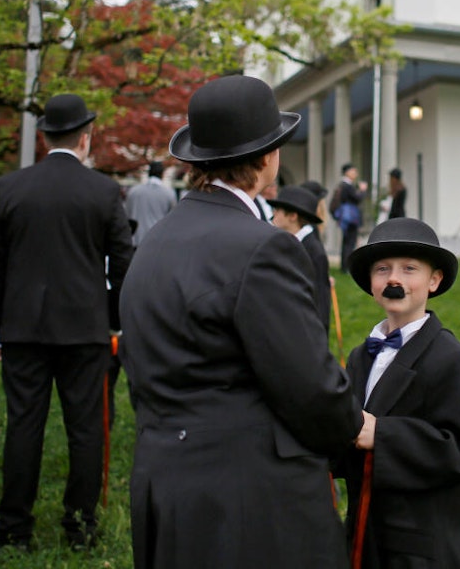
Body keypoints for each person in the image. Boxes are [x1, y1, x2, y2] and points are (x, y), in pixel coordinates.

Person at [119, 75, 365, 569]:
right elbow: (309, 386)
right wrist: (354, 426)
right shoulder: (263, 247)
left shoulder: (154, 242)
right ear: (269, 155)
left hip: (164, 477)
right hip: (247, 497)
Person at [0, 94, 134, 554]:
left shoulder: (11, 187)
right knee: (86, 428)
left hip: (23, 326)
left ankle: (13, 529)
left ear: (44, 138)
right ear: (85, 138)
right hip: (86, 329)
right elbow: (122, 260)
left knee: (23, 425)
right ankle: (81, 526)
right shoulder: (103, 191)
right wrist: (114, 321)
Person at [340, 217, 460, 568]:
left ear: (434, 280)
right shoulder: (360, 357)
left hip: (419, 544)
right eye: (383, 269)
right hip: (365, 533)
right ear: (371, 282)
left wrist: (383, 435)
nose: (394, 279)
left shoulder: (453, 360)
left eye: (409, 269)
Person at [271, 184, 332, 335]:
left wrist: (317, 338)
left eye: (278, 210)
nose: (274, 214)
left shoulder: (313, 252)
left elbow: (320, 301)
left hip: (302, 330)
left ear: (293, 216)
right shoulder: (285, 242)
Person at [124, 160, 176, 247]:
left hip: (136, 240)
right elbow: (171, 220)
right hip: (156, 241)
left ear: (149, 173)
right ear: (162, 174)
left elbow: (127, 215)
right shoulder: (169, 193)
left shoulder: (133, 191)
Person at [333, 163, 367, 271]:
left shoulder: (342, 185)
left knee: (346, 241)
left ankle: (344, 265)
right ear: (347, 172)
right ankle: (346, 266)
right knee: (350, 242)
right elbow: (357, 199)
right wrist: (362, 190)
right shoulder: (347, 186)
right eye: (354, 171)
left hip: (346, 217)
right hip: (351, 217)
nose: (356, 173)